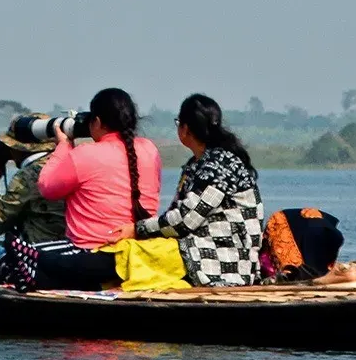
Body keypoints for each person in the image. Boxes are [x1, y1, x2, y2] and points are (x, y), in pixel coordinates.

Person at [0, 87, 162, 290]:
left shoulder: (85, 154)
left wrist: (63, 146)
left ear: (98, 122)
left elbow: (47, 187)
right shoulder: (150, 149)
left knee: (8, 262)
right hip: (138, 248)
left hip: (90, 248)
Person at [110, 94, 266, 286]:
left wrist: (138, 229)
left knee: (131, 255)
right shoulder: (199, 164)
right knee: (134, 249)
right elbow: (177, 216)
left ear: (185, 129)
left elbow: (186, 220)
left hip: (225, 263)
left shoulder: (219, 166)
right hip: (198, 249)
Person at [0, 126, 67, 244]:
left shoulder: (28, 176)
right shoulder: (67, 162)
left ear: (19, 148)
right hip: (71, 249)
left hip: (38, 252)